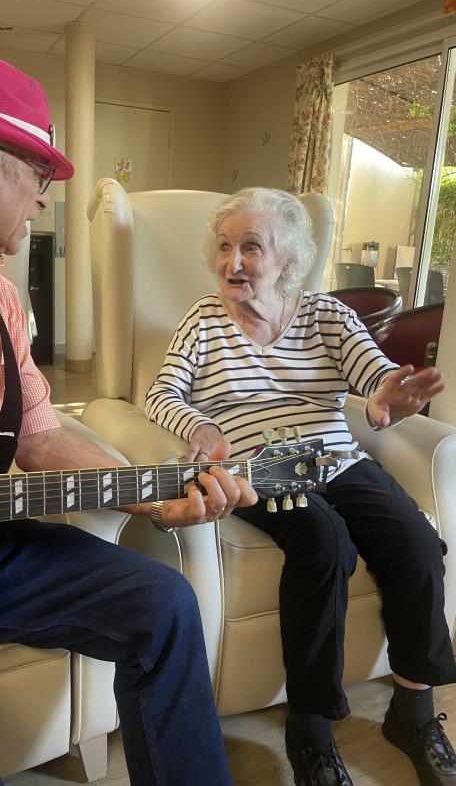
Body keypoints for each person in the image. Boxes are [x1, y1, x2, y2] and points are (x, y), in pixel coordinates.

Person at [0, 49, 258, 786]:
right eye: (40, 174)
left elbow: (39, 433)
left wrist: (158, 493)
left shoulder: (2, 300)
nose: (46, 199)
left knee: (165, 603)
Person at [145, 186, 456, 786]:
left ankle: (413, 713)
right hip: (259, 469)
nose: (233, 262)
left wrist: (389, 394)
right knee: (323, 540)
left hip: (337, 461)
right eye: (225, 247)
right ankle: (310, 730)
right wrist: (201, 425)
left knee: (417, 542)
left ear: (288, 259)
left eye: (251, 247)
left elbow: (374, 373)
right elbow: (163, 393)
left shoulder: (327, 316)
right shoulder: (203, 319)